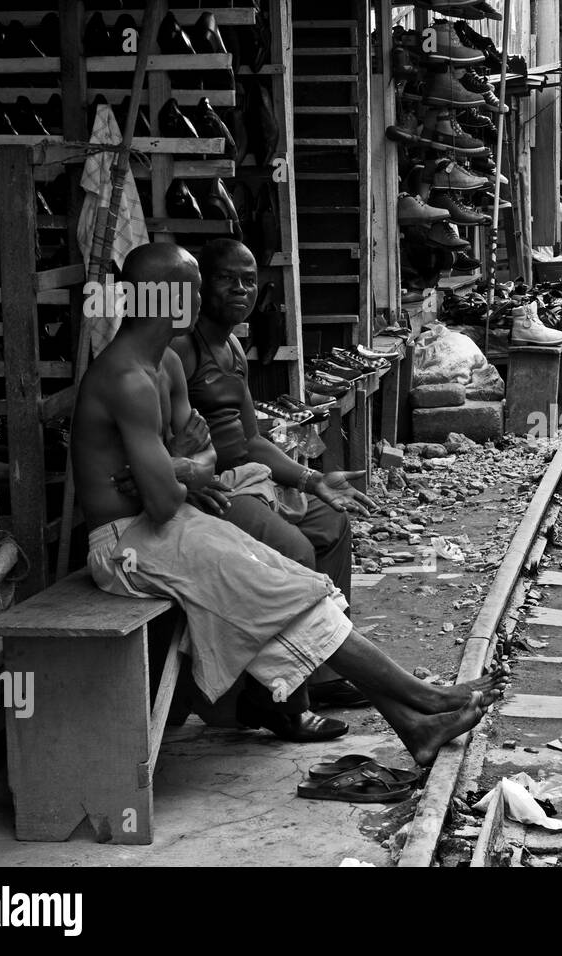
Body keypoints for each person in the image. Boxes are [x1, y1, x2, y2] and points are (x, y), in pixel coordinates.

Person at [74, 243, 508, 769]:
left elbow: (202, 456)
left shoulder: (162, 362)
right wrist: (181, 471)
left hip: (166, 524)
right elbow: (167, 497)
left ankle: (417, 720)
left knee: (292, 587)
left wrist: (181, 469)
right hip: (125, 543)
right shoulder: (128, 378)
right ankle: (425, 703)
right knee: (284, 587)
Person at [171, 239, 379, 737]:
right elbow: (166, 443)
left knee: (331, 523)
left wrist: (311, 479)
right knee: (295, 552)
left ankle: (324, 671)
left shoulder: (234, 348)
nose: (240, 289)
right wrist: (186, 478)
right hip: (211, 490)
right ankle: (282, 702)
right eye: (227, 279)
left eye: (248, 280)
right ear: (201, 288)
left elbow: (251, 442)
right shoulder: (180, 349)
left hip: (246, 478)